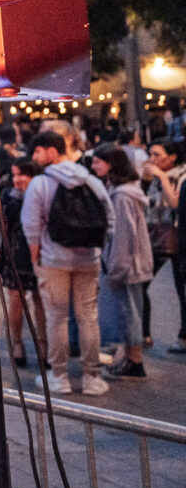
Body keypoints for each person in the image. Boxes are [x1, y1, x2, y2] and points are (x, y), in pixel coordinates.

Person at [22, 128, 113, 396]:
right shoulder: (91, 180)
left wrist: (37, 262)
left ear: (52, 151)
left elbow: (31, 227)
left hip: (53, 260)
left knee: (57, 318)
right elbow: (110, 217)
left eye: (38, 151)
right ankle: (91, 377)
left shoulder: (40, 184)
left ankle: (59, 376)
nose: (35, 157)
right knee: (88, 317)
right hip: (88, 258)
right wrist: (99, 251)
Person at [92, 144, 149, 380]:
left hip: (127, 266)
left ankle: (134, 362)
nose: (94, 166)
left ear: (111, 165)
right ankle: (129, 359)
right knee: (127, 312)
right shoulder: (123, 191)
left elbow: (125, 236)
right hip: (129, 265)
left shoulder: (123, 195)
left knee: (128, 313)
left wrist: (116, 269)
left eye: (98, 162)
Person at [0, 158, 46, 368]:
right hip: (15, 252)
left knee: (41, 300)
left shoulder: (42, 193)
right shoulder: (8, 196)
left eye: (22, 174)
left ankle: (44, 345)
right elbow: (4, 226)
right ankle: (17, 343)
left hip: (41, 253)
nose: (18, 179)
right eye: (14, 174)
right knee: (16, 300)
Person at [139, 141, 185, 354]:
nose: (153, 159)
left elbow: (175, 203)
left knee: (181, 288)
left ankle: (183, 337)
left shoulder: (182, 175)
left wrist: (162, 177)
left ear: (173, 156)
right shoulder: (155, 176)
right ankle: (143, 334)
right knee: (141, 284)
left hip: (177, 237)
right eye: (151, 154)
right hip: (157, 236)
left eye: (158, 154)